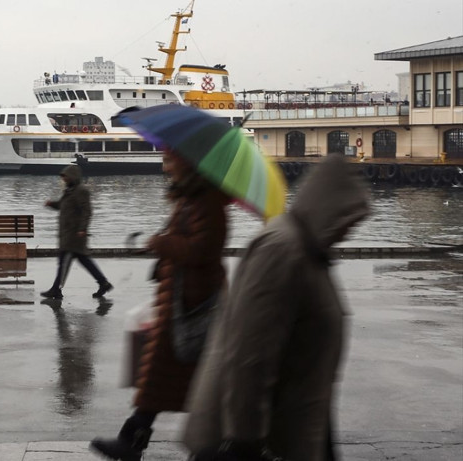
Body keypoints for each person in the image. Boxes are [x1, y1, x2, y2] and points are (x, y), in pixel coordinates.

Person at [183, 154, 369, 461]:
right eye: (347, 219)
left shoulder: (311, 251)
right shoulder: (283, 249)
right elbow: (249, 355)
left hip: (297, 426)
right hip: (259, 438)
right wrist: (246, 440)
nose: (349, 230)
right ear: (329, 208)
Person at [90, 149, 230, 461]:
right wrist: (162, 242)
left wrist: (164, 243)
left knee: (194, 378)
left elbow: (204, 249)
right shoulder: (191, 198)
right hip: (179, 298)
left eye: (170, 160)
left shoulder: (206, 201)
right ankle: (133, 441)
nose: (165, 167)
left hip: (194, 305)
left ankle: (216, 445)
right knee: (166, 375)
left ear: (188, 163)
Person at [41, 165, 112, 299]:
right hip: (68, 233)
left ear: (73, 177)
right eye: (63, 177)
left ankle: (56, 289)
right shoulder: (69, 191)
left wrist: (82, 229)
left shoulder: (81, 191)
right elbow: (61, 206)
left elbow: (87, 211)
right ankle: (103, 283)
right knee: (84, 260)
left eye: (66, 176)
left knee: (64, 262)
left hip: (74, 235)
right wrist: (51, 204)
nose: (64, 179)